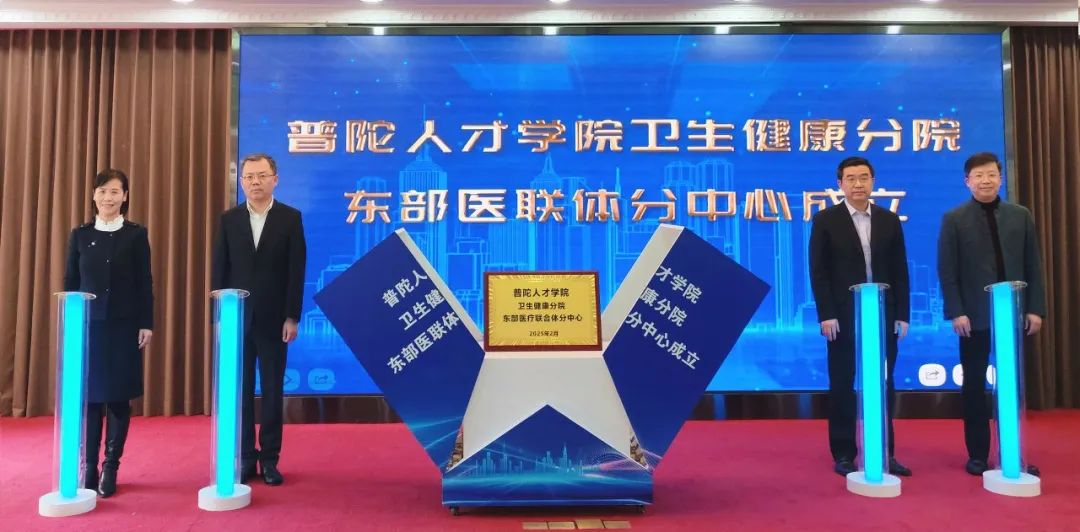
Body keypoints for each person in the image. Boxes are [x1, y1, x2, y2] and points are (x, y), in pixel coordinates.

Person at [937, 151, 1045, 477]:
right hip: (973, 318)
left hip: (1013, 315)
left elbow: (1033, 265)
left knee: (1012, 386)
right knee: (973, 385)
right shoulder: (954, 219)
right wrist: (956, 311)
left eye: (991, 175)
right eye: (978, 176)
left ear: (1001, 178)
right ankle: (978, 454)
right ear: (967, 181)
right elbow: (948, 270)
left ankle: (1012, 453)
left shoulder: (1020, 216)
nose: (985, 181)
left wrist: (1035, 308)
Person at [809, 156, 912, 477]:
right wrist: (826, 314)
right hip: (842, 317)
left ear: (872, 181)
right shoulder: (825, 220)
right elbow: (819, 272)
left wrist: (902, 314)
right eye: (851, 178)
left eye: (864, 177)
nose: (858, 184)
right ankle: (843, 453)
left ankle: (884, 452)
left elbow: (900, 270)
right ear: (840, 184)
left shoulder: (889, 220)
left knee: (883, 383)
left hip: (883, 315)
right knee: (842, 383)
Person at [212, 153, 306, 486]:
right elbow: (220, 270)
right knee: (239, 392)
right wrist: (219, 318)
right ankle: (245, 458)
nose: (255, 182)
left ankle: (269, 459)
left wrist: (292, 316)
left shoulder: (290, 218)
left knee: (272, 391)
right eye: (249, 176)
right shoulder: (229, 219)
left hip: (274, 320)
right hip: (236, 319)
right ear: (242, 182)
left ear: (275, 179)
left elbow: (296, 272)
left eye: (262, 175)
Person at [64, 169, 154, 498]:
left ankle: (111, 466)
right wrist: (71, 323)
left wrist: (146, 323)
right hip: (89, 329)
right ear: (93, 195)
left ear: (125, 196)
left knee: (118, 398)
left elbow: (145, 282)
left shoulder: (135, 235)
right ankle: (88, 467)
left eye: (115, 191)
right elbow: (70, 282)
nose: (108, 197)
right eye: (102, 191)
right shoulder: (80, 235)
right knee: (89, 399)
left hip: (123, 327)